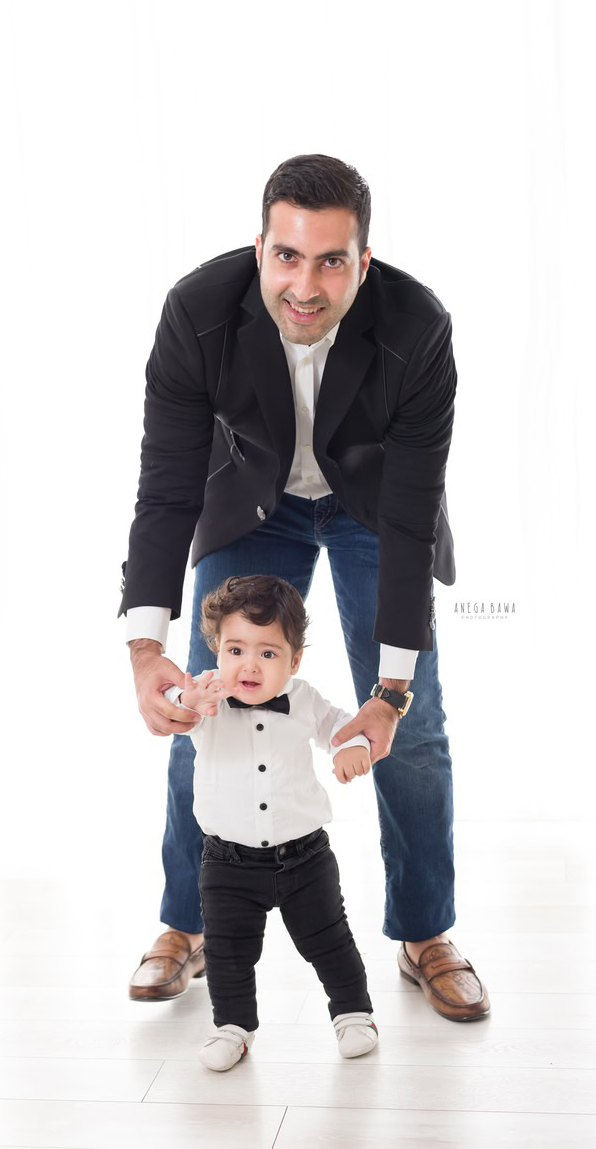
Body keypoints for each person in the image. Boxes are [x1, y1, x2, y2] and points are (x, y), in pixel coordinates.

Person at [120, 152, 490, 1022]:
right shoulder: (197, 312)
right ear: (260, 251)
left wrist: (389, 691)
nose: (307, 283)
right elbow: (165, 486)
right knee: (203, 704)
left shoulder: (418, 326)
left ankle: (426, 931)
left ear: (364, 260)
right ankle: (189, 922)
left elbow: (408, 517)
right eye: (289, 256)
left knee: (417, 723)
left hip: (372, 511)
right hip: (253, 504)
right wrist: (146, 649)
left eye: (332, 260)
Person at [165, 573, 379, 1071]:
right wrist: (188, 701)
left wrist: (354, 750)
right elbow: (178, 707)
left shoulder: (304, 699)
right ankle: (233, 1027)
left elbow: (341, 730)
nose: (249, 665)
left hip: (304, 856)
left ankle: (353, 1013)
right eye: (236, 649)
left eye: (268, 653)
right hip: (227, 863)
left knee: (329, 940)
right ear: (217, 649)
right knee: (228, 953)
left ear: (294, 660)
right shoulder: (206, 698)